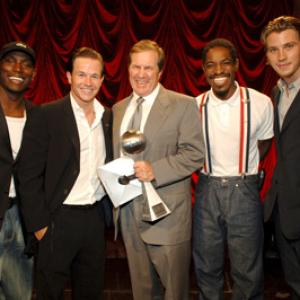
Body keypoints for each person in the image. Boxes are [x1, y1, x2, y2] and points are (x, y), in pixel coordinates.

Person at [112, 39, 205, 300]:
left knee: (174, 293)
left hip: (168, 216)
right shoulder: (118, 109)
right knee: (142, 292)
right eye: (136, 67)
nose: (141, 74)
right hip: (129, 214)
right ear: (128, 69)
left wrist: (156, 170)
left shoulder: (183, 104)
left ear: (160, 72)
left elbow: (195, 153)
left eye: (148, 68)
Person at [18, 47, 112, 300]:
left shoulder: (108, 116)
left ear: (102, 80)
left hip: (94, 220)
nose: (88, 82)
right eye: (81, 75)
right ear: (69, 76)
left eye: (94, 76)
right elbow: (27, 174)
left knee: (91, 292)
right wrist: (39, 226)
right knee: (50, 292)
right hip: (57, 220)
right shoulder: (46, 114)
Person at [193, 38, 274, 300]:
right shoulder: (195, 105)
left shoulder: (260, 102)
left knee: (248, 269)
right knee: (206, 265)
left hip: (244, 190)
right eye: (211, 65)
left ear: (237, 65)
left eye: (225, 62)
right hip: (207, 190)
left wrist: (247, 173)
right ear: (204, 70)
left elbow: (264, 143)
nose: (218, 71)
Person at [261, 16, 300, 299]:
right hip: (285, 211)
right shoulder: (276, 92)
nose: (282, 56)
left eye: (289, 46)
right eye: (274, 49)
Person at [0, 41, 36, 300]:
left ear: (33, 75)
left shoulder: (38, 116)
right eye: (10, 60)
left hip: (23, 222)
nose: (18, 68)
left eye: (25, 64)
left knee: (19, 294)